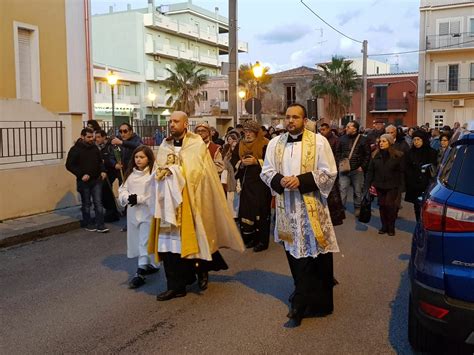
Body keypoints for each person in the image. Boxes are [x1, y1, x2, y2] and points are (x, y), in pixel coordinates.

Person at [149, 111, 245, 301]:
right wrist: (161, 174)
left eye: (176, 121)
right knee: (169, 246)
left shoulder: (196, 145)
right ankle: (176, 285)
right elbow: (157, 168)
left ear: (185, 124)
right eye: (170, 121)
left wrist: (176, 171)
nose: (172, 124)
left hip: (191, 201)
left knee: (194, 242)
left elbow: (199, 173)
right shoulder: (164, 145)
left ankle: (199, 272)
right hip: (168, 204)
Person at [260, 103, 339, 328]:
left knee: (317, 255)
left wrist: (301, 180)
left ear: (305, 121)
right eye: (287, 117)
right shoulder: (275, 143)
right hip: (287, 208)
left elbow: (328, 172)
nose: (290, 121)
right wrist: (280, 180)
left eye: (295, 117)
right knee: (295, 255)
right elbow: (266, 171)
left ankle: (318, 303)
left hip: (311, 206)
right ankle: (301, 296)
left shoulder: (319, 142)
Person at [118, 146, 160, 289]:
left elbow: (156, 193)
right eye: (136, 157)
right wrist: (127, 197)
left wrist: (140, 199)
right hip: (133, 213)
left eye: (142, 157)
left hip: (147, 212)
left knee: (144, 240)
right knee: (137, 240)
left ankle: (140, 271)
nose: (138, 160)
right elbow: (122, 189)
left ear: (148, 158)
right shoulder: (130, 174)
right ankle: (152, 263)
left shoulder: (153, 174)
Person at [236, 120, 272, 252]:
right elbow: (233, 160)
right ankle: (250, 239)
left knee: (261, 213)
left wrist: (256, 161)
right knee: (247, 213)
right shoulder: (240, 145)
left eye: (251, 132)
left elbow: (272, 162)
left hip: (262, 185)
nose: (248, 134)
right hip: (247, 185)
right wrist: (241, 163)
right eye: (245, 131)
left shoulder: (266, 144)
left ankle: (262, 241)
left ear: (257, 133)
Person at [66, 128, 109, 233]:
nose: (91, 139)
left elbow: (100, 161)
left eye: (92, 137)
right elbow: (69, 165)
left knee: (98, 203)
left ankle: (100, 224)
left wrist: (103, 171)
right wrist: (81, 175)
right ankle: (88, 223)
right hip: (84, 182)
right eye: (88, 137)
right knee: (86, 204)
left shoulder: (94, 148)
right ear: (82, 137)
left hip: (96, 180)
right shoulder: (75, 150)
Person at [366, 134, 405, 236]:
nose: (381, 143)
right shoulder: (375, 155)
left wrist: (402, 186)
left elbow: (401, 172)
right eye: (380, 141)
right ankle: (384, 226)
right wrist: (367, 184)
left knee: (389, 205)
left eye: (384, 141)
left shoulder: (397, 156)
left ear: (390, 142)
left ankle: (391, 227)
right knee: (382, 206)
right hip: (379, 184)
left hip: (392, 185)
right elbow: (370, 171)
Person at [336, 120, 371, 217]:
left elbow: (367, 154)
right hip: (344, 170)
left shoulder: (363, 140)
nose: (346, 128)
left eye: (348, 127)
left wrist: (362, 166)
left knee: (358, 190)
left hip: (357, 170)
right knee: (342, 190)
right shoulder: (341, 139)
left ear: (355, 129)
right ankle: (341, 208)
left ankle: (357, 207)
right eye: (346, 126)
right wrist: (340, 162)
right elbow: (337, 152)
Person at [404, 130, 437, 221]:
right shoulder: (410, 152)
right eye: (414, 140)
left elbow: (433, 168)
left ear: (423, 140)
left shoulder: (431, 152)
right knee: (417, 206)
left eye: (418, 139)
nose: (416, 142)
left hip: (427, 184)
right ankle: (419, 222)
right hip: (414, 184)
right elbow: (406, 167)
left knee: (427, 206)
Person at [319, 123, 345, 226]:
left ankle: (335, 217)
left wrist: (332, 168)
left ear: (329, 129)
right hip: (322, 170)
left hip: (331, 170)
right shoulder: (320, 140)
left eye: (324, 129)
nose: (322, 131)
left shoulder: (335, 140)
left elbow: (337, 155)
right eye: (320, 130)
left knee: (333, 195)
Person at [95, 130, 121, 222]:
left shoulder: (110, 147)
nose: (96, 139)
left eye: (98, 137)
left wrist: (106, 162)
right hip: (105, 172)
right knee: (105, 192)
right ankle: (112, 212)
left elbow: (112, 158)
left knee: (107, 191)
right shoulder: (101, 147)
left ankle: (113, 213)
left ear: (104, 137)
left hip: (113, 172)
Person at [221, 130, 241, 218]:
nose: (230, 141)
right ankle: (231, 214)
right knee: (230, 196)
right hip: (229, 175)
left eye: (231, 139)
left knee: (237, 196)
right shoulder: (226, 150)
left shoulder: (238, 152)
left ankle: (236, 213)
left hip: (236, 175)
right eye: (228, 139)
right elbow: (225, 163)